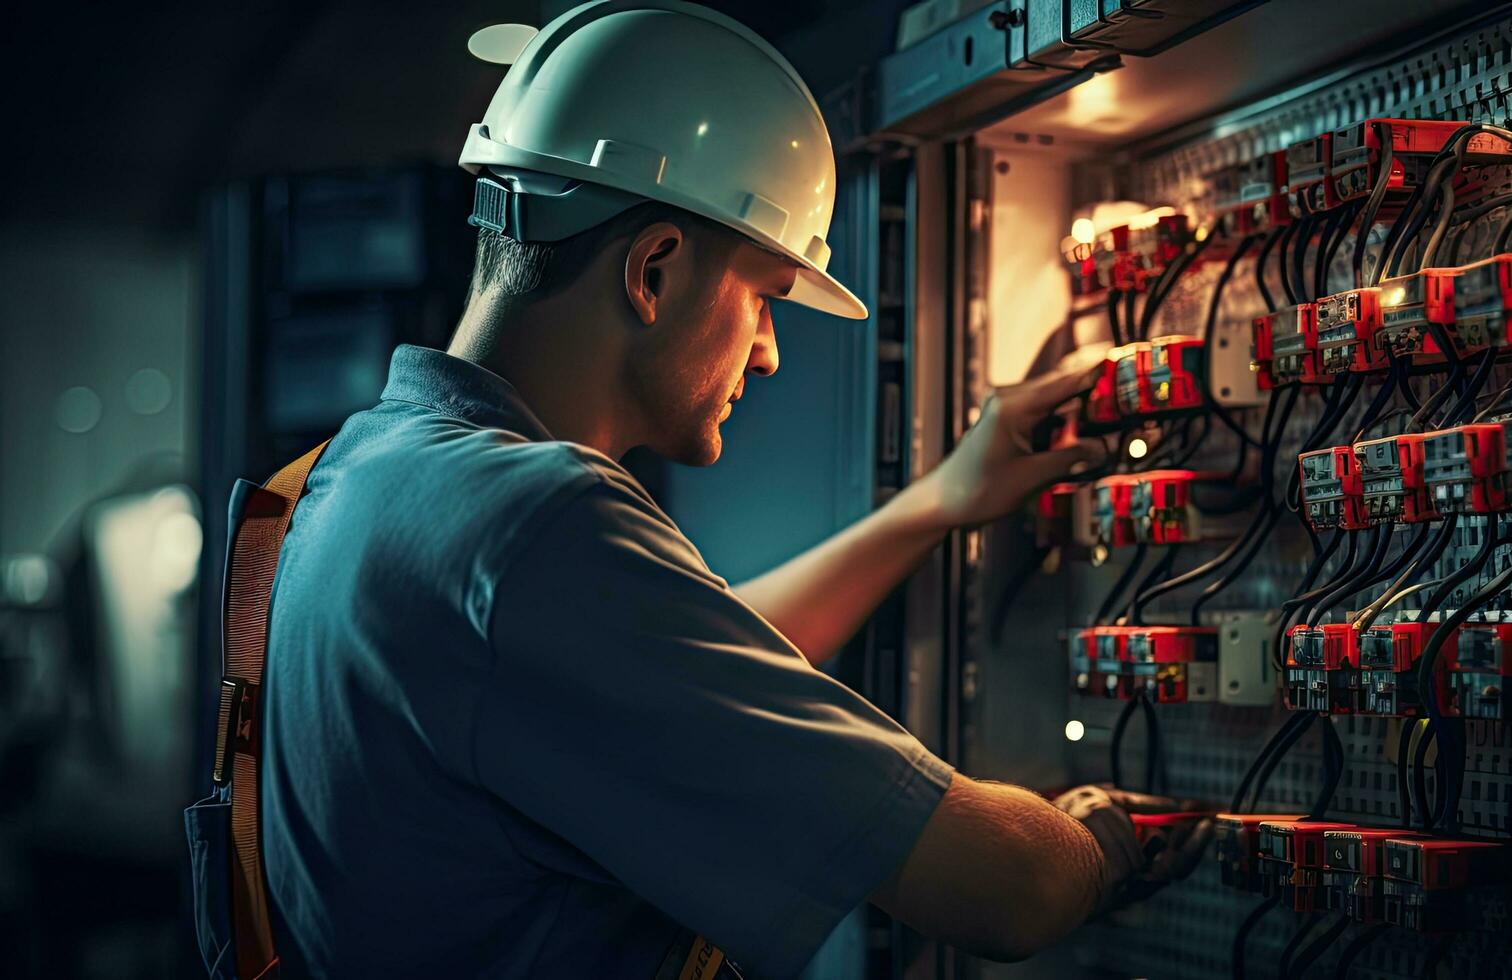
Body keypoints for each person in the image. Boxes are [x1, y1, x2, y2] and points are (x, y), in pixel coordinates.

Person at [254, 3, 1208, 976]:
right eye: (765, 296)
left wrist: (937, 501)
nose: (770, 351)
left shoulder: (361, 478)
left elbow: (670, 672)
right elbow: (1010, 888)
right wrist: (1104, 840)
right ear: (655, 269)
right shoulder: (539, 523)